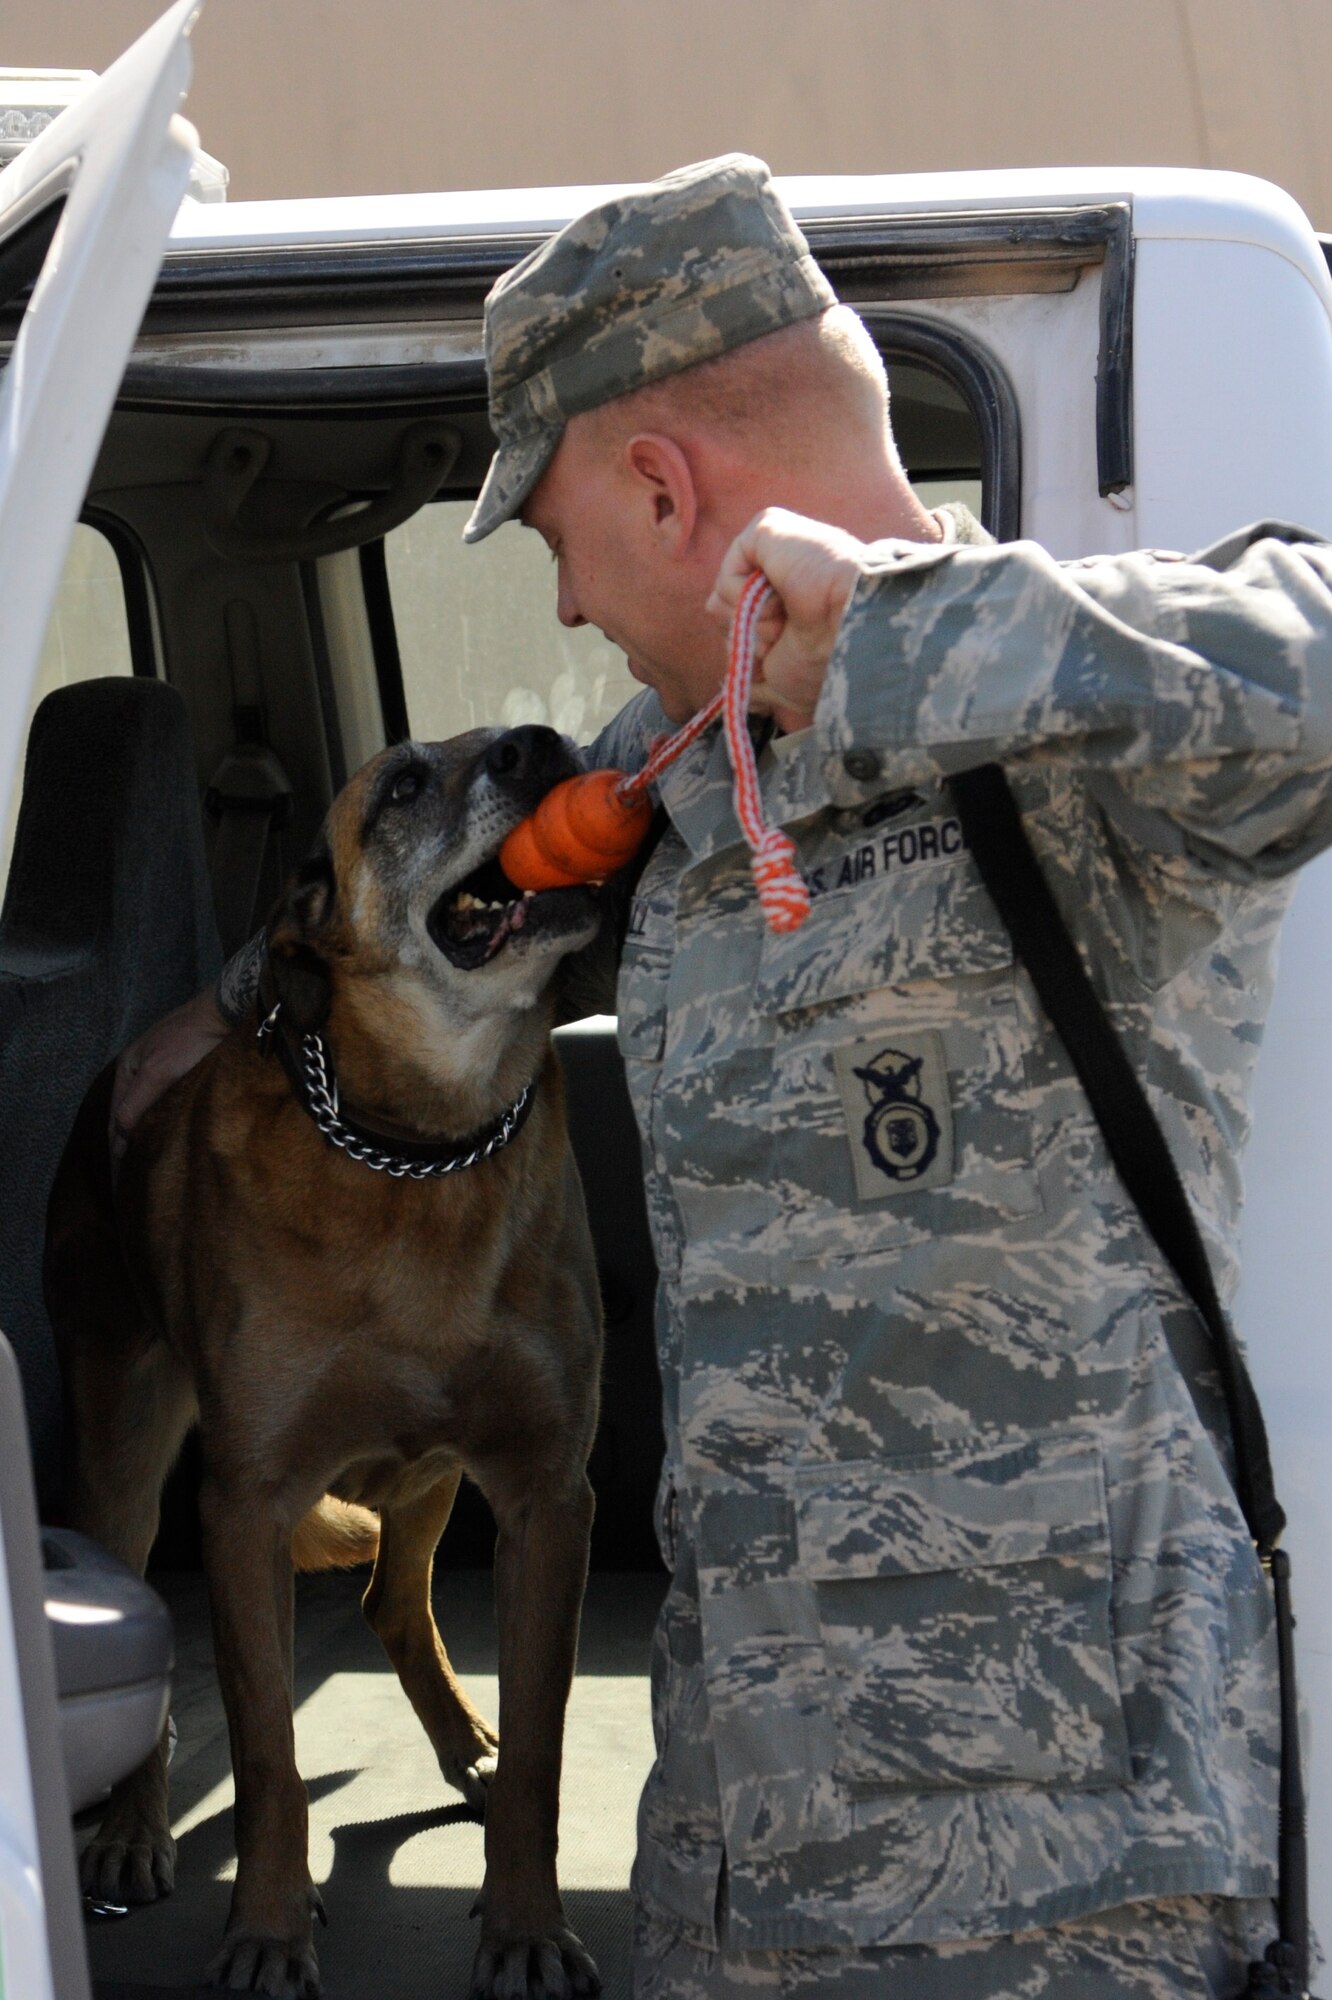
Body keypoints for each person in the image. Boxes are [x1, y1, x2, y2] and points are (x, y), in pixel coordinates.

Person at [114, 155, 1332, 1997]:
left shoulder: (1073, 739)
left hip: (1051, 1880)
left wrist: (915, 636)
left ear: (659, 488)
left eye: (553, 543)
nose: (578, 611)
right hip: (733, 1843)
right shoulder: (672, 773)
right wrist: (210, 1021)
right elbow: (403, 917)